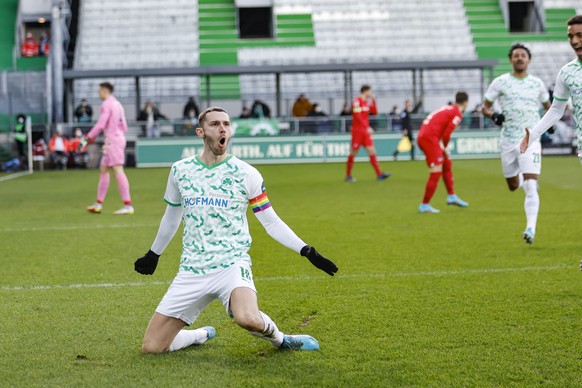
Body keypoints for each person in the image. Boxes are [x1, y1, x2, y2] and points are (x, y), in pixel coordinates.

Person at [133, 107, 338, 354]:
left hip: (231, 265)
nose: (223, 129)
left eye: (227, 124)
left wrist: (306, 250)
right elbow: (172, 216)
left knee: (247, 318)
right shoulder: (180, 170)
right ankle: (200, 334)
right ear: (201, 132)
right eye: (215, 124)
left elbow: (270, 222)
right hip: (192, 269)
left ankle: (281, 340)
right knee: (152, 347)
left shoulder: (246, 173)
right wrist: (154, 253)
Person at [482, 43, 551, 244]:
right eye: (516, 55)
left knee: (531, 184)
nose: (519, 58)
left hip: (530, 139)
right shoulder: (500, 82)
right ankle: (522, 181)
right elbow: (484, 107)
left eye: (523, 55)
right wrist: (493, 115)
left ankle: (530, 228)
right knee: (513, 185)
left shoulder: (537, 83)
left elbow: (550, 107)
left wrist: (548, 124)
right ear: (511, 59)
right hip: (508, 140)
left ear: (528, 60)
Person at [521, 16, 582, 167]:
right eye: (570, 36)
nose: (574, 41)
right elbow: (556, 110)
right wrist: (532, 135)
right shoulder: (567, 72)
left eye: (579, 35)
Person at [83, 82, 134, 215]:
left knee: (117, 169)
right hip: (117, 139)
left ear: (105, 91)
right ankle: (98, 204)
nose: (98, 93)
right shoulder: (117, 104)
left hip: (112, 141)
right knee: (104, 169)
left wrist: (87, 138)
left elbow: (101, 124)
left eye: (100, 91)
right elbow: (125, 125)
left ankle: (128, 205)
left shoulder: (107, 104)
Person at [417, 92, 470, 213]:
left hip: (426, 136)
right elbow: (447, 133)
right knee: (436, 171)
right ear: (466, 102)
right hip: (430, 138)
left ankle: (451, 196)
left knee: (446, 163)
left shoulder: (448, 108)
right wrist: (445, 147)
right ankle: (424, 205)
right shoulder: (457, 113)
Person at [345, 85, 390, 182]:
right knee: (353, 153)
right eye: (370, 91)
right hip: (357, 131)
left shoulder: (366, 103)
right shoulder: (357, 102)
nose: (371, 93)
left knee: (372, 151)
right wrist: (367, 127)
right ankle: (348, 175)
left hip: (365, 132)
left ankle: (379, 174)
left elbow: (375, 112)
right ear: (365, 91)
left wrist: (374, 101)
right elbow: (357, 116)